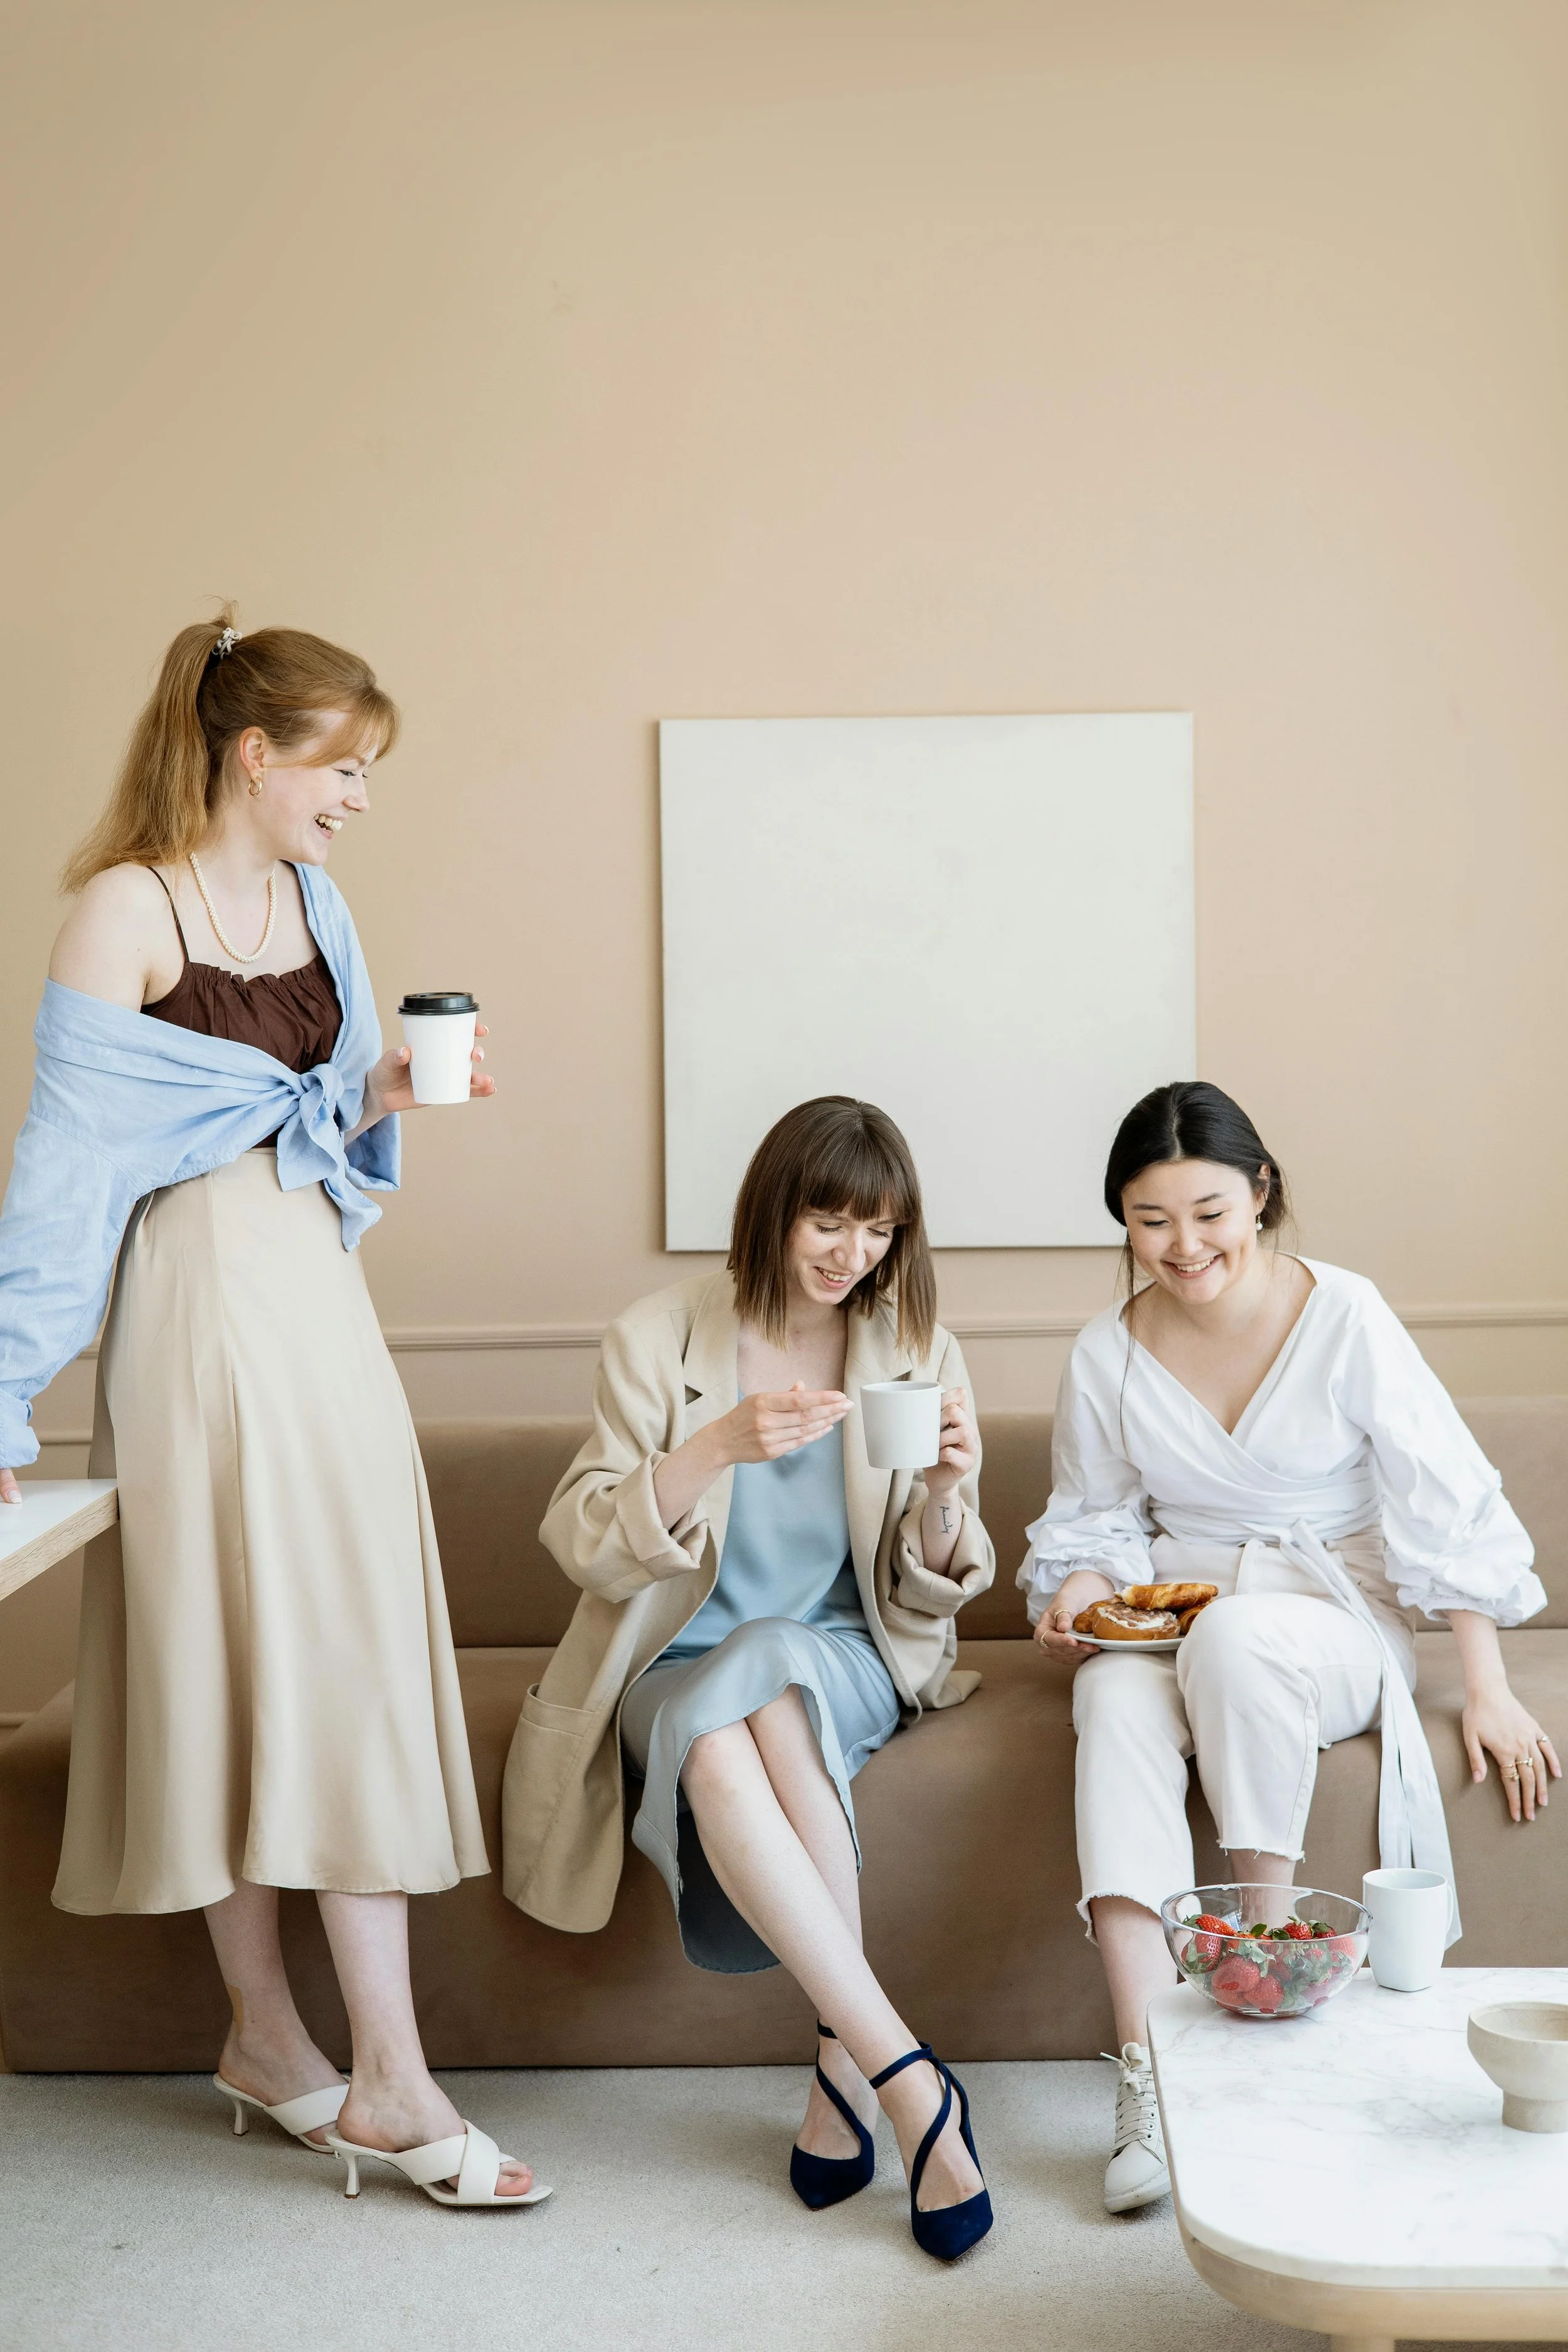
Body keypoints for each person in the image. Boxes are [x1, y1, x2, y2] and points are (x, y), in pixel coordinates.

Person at [0, 610, 544, 2210]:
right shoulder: (123, 910)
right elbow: (65, 1179)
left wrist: (383, 1095)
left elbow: (326, 1113)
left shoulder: (316, 899)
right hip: (193, 1309)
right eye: (345, 765)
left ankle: (320, 2055)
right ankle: (339, 2062)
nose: (360, 797)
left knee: (345, 1651)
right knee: (241, 1668)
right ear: (255, 752)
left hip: (312, 1297)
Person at [1021, 1080, 1555, 2217]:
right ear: (1122, 1217)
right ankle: (1147, 2076)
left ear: (1260, 1192)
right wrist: (1076, 1589)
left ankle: (1261, 1994)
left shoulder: (1347, 1313)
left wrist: (1490, 1684)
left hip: (1331, 1618)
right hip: (1177, 1618)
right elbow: (1097, 1520)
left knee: (1241, 1633)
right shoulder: (1105, 1351)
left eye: (1208, 1211)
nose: (1183, 1245)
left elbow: (1442, 1497)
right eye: (1151, 1219)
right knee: (1114, 1693)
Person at [503, 1096, 995, 2259]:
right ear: (774, 1206)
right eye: (830, 1222)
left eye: (878, 1232)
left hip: (843, 1656)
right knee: (726, 1724)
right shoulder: (660, 1335)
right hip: (670, 1664)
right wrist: (715, 1442)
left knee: (772, 1666)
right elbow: (579, 1538)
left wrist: (941, 1495)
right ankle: (895, 2078)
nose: (853, 1256)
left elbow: (929, 1585)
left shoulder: (912, 1345)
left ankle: (865, 2075)